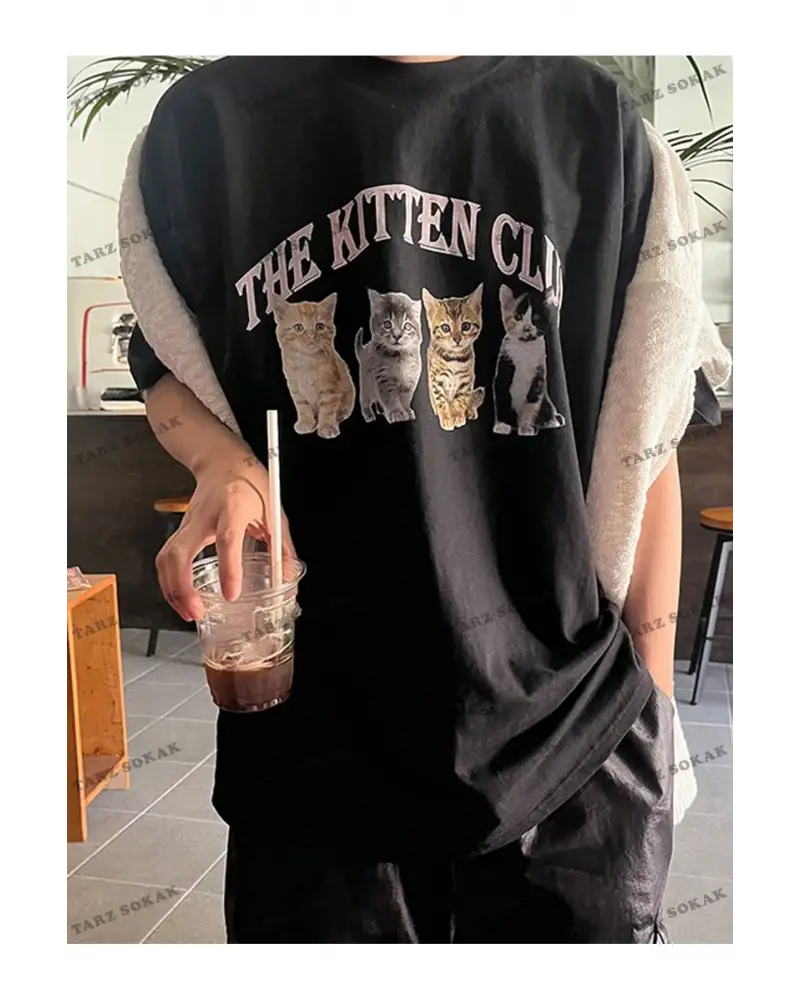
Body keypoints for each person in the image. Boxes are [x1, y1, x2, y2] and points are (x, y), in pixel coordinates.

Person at [121, 55, 728, 943]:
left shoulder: (599, 127)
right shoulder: (199, 134)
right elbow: (162, 360)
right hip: (313, 753)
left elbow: (648, 435)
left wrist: (656, 706)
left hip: (576, 749)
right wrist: (224, 464)